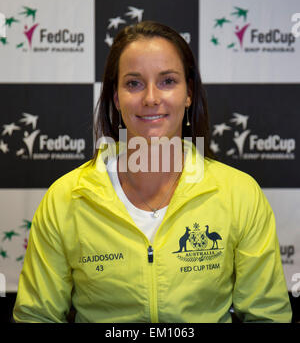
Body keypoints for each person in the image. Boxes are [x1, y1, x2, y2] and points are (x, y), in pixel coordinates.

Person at [13, 21, 292, 323]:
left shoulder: (240, 194)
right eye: (133, 83)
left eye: (167, 81)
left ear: (189, 93)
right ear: (116, 98)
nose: (150, 98)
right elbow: (36, 318)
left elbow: (268, 318)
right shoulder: (65, 200)